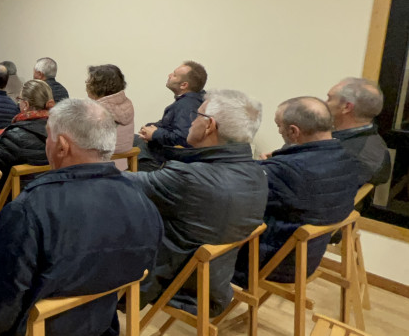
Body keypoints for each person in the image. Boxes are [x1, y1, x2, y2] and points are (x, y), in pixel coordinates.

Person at [0, 98, 163, 336]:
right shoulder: (142, 200)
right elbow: (141, 278)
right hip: (98, 323)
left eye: (47, 136)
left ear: (61, 146)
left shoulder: (29, 209)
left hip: (32, 326)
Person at [124, 90, 267, 315]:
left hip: (178, 286)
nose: (191, 122)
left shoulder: (189, 178)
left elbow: (117, 185)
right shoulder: (256, 173)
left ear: (209, 125)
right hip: (215, 281)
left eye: (196, 115)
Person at [233, 97, 362, 285]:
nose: (278, 131)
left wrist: (266, 166)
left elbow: (233, 188)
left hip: (266, 263)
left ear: (294, 131)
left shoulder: (286, 170)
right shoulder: (349, 160)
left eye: (279, 126)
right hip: (306, 259)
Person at [135, 61, 208, 170]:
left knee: (133, 143)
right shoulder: (193, 100)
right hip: (167, 154)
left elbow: (185, 138)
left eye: (174, 75)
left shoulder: (186, 105)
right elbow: (170, 124)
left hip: (164, 161)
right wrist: (150, 127)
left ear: (184, 85)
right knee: (134, 139)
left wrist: (155, 134)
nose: (169, 76)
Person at [327, 77, 392, 191]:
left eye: (329, 99)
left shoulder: (357, 156)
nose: (324, 104)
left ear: (346, 107)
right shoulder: (365, 140)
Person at [0, 79, 53, 183]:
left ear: (25, 105)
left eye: (19, 99)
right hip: (47, 191)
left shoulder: (14, 136)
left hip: (15, 195)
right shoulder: (58, 132)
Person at [86, 64, 135, 171]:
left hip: (99, 168)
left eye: (89, 81)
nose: (86, 83)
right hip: (123, 164)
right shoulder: (127, 103)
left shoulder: (97, 110)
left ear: (99, 86)